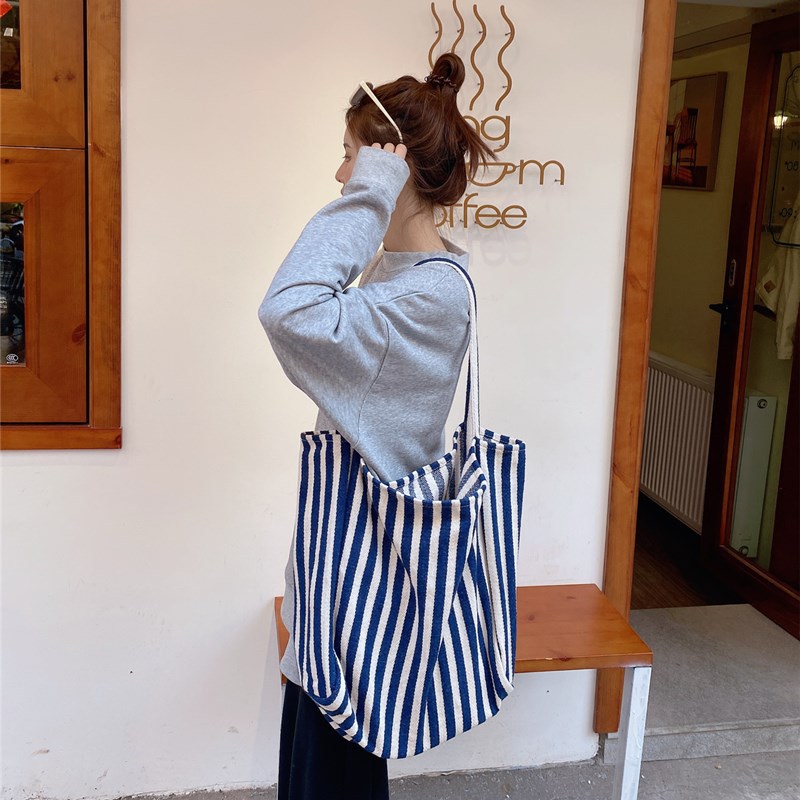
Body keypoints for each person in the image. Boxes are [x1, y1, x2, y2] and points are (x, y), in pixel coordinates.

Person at [258, 51, 494, 800]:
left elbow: (288, 310)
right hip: (346, 572)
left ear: (395, 170)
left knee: (334, 774)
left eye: (351, 159)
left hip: (360, 584)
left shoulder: (427, 297)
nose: (341, 176)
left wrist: (369, 191)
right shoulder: (401, 277)